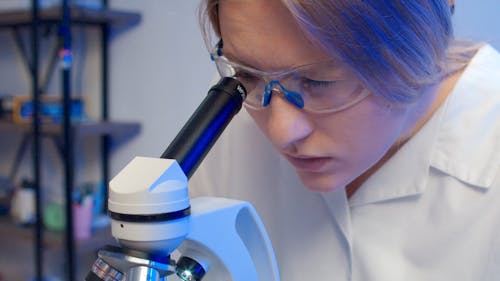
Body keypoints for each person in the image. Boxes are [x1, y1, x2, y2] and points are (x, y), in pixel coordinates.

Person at [189, 0, 500, 280]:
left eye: (319, 81)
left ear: (419, 42)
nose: (281, 132)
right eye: (249, 75)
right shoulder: (236, 123)